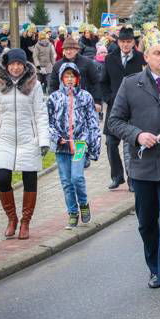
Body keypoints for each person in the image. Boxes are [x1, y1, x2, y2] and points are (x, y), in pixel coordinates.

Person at [107, 31, 160, 301]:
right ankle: (155, 268)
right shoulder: (131, 84)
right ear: (146, 57)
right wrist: (137, 135)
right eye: (158, 53)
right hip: (142, 167)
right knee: (147, 223)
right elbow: (114, 121)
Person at [0, 49, 49, 240]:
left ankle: (26, 222)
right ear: (6, 66)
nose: (16, 68)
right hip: (4, 139)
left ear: (24, 66)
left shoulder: (34, 86)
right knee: (2, 178)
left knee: (29, 179)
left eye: (19, 64)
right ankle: (12, 218)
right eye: (12, 64)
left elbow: (41, 115)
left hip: (29, 139)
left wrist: (43, 141)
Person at [47, 63, 102, 228]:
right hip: (61, 147)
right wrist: (56, 138)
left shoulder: (85, 97)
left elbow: (92, 122)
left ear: (77, 78)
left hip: (79, 144)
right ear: (61, 78)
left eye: (72, 76)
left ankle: (83, 203)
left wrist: (94, 147)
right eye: (66, 76)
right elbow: (47, 122)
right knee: (66, 181)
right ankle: (72, 212)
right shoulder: (54, 98)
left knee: (77, 177)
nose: (70, 79)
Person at [100, 26, 146, 191]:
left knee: (131, 144)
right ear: (118, 43)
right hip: (114, 107)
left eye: (128, 42)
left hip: (134, 107)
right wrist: (108, 98)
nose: (125, 45)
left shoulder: (141, 59)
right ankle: (117, 176)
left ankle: (132, 179)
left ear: (133, 42)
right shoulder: (110, 59)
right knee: (111, 143)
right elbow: (103, 81)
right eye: (123, 42)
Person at [49, 35, 102, 111]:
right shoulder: (58, 65)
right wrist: (54, 101)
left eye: (71, 49)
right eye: (66, 49)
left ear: (77, 50)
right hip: (63, 103)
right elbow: (53, 85)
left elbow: (96, 82)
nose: (68, 51)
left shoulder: (87, 63)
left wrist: (97, 101)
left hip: (84, 102)